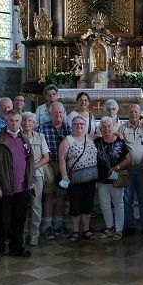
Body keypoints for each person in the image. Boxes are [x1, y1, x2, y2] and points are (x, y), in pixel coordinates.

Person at [0, 110, 35, 260]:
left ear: (21, 122)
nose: (14, 123)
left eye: (17, 121)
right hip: (4, 188)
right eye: (11, 120)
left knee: (19, 219)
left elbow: (30, 162)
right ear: (6, 121)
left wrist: (31, 182)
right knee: (0, 220)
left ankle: (16, 247)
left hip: (22, 187)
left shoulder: (24, 139)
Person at [58, 116, 99, 240]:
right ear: (72, 125)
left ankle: (86, 229)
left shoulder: (91, 137)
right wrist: (64, 176)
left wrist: (118, 133)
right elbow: (62, 159)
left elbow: (107, 136)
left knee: (87, 205)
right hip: (75, 180)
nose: (79, 126)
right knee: (75, 205)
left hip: (91, 179)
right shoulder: (67, 140)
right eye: (76, 124)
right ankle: (76, 231)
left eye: (82, 124)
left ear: (85, 125)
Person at [37, 101, 71, 239]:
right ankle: (47, 225)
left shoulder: (69, 128)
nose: (58, 115)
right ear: (50, 114)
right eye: (55, 113)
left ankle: (59, 224)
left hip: (65, 167)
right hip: (49, 165)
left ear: (63, 114)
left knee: (61, 195)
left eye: (60, 113)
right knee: (50, 195)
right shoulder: (42, 129)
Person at [93, 116, 130, 240]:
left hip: (116, 177)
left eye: (109, 126)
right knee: (104, 204)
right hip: (102, 179)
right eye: (103, 127)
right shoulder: (97, 142)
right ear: (100, 128)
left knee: (118, 203)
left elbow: (128, 159)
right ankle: (110, 227)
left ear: (113, 127)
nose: (106, 129)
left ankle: (119, 230)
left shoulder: (119, 142)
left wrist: (116, 167)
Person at [119, 104, 143, 236]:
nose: (133, 114)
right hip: (127, 170)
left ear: (140, 113)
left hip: (142, 170)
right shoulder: (122, 128)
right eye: (131, 111)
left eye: (136, 112)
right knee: (127, 199)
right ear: (128, 113)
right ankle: (130, 225)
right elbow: (119, 149)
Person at [21, 111, 49, 246]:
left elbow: (46, 157)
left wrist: (33, 167)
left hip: (37, 175)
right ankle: (23, 232)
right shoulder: (17, 137)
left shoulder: (40, 136)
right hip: (20, 176)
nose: (27, 123)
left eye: (29, 121)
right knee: (22, 205)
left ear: (34, 123)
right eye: (24, 120)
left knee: (35, 205)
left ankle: (34, 234)